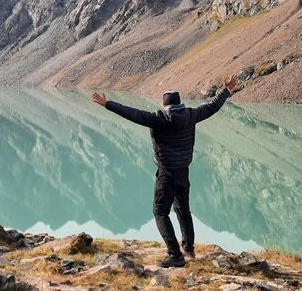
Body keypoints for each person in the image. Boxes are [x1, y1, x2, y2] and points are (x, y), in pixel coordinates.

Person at [91, 74, 238, 267]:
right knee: (183, 209)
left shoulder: (158, 118)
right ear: (180, 103)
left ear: (165, 104)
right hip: (183, 171)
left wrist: (107, 104)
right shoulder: (191, 115)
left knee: (160, 212)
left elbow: (132, 113)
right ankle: (188, 249)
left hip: (167, 173)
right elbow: (212, 106)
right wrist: (226, 90)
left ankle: (175, 256)